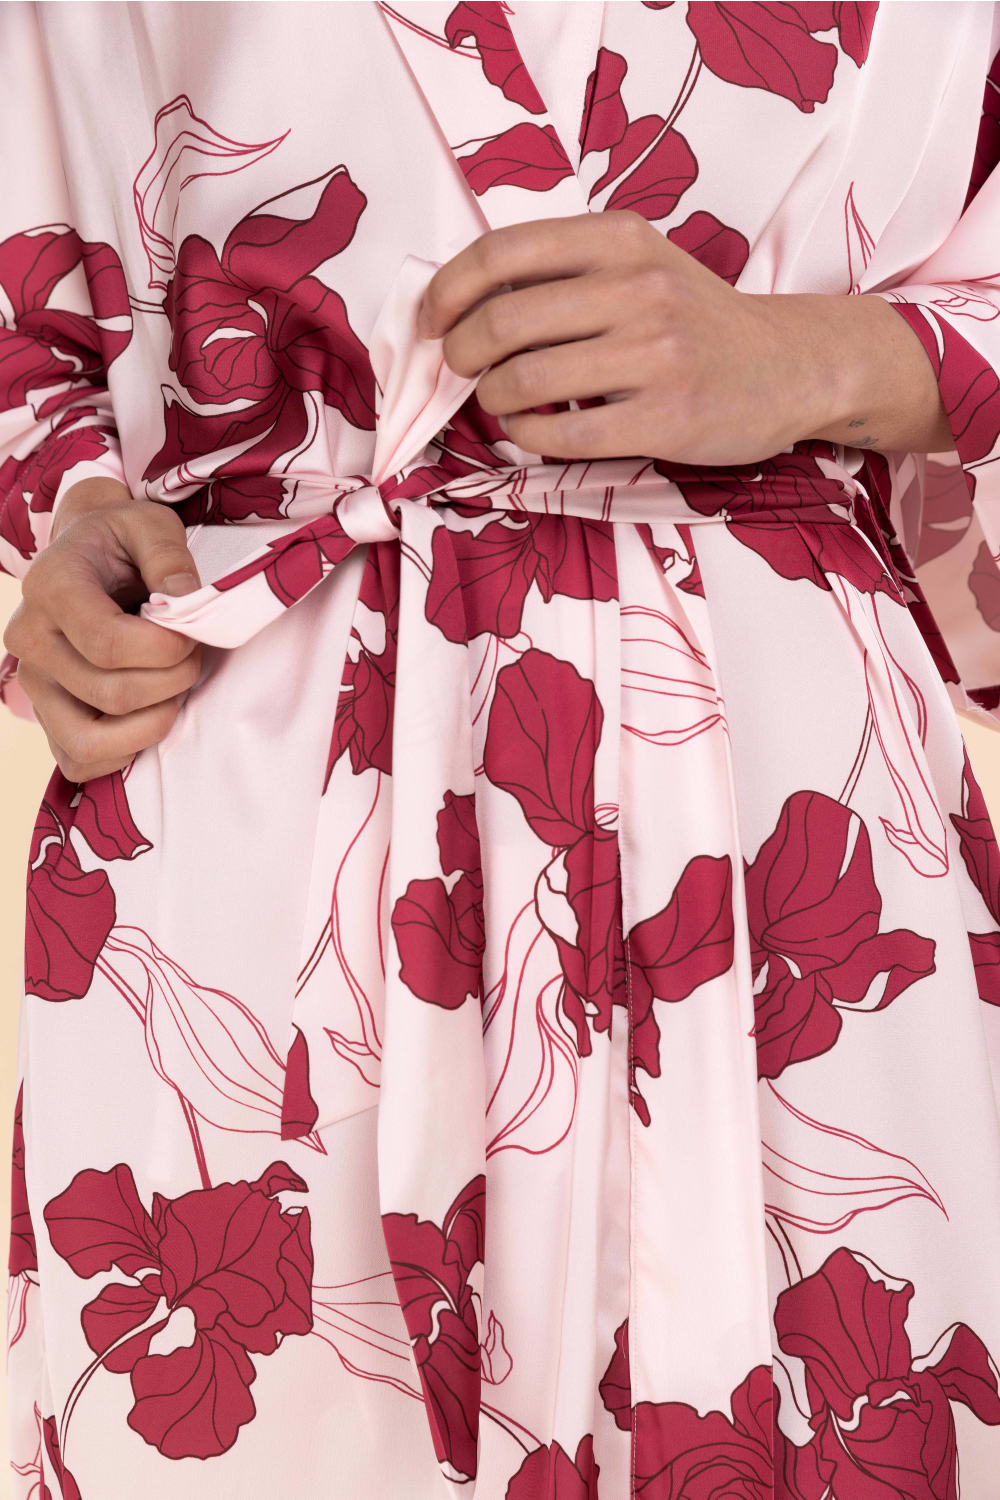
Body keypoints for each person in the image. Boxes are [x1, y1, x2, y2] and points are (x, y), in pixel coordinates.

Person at [3, 1, 1000, 1494]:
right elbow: (39, 251)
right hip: (273, 800)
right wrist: (77, 526)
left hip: (796, 829)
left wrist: (818, 354)